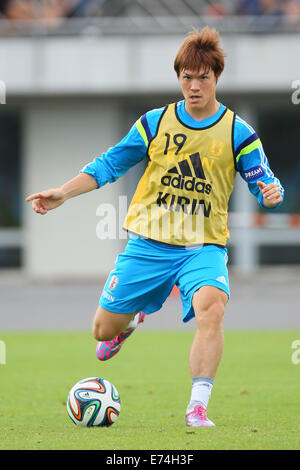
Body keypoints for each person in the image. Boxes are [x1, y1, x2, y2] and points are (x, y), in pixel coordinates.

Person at [26, 26, 284, 428]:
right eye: (187, 77)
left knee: (211, 308)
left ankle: (197, 407)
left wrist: (271, 191)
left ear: (217, 77)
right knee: (100, 330)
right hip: (148, 245)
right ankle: (127, 323)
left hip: (203, 247)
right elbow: (110, 164)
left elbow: (263, 178)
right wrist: (63, 192)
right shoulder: (154, 122)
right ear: (178, 77)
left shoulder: (238, 132)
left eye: (203, 78)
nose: (194, 86)